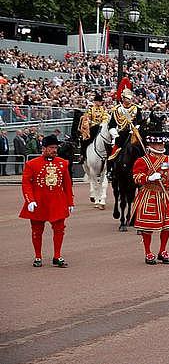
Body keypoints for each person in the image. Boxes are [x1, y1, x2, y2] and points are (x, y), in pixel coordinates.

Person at [132, 131, 169, 265]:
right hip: (149, 194)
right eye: (157, 143)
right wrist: (148, 178)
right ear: (151, 144)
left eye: (161, 143)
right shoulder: (143, 160)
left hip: (164, 195)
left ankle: (162, 250)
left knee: (168, 225)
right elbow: (136, 177)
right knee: (148, 227)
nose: (160, 146)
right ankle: (148, 252)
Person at [19, 134, 74, 267]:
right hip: (39, 201)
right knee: (37, 230)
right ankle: (38, 256)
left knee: (59, 229)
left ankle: (57, 256)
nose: (54, 150)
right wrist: (30, 200)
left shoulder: (63, 163)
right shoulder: (32, 164)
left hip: (57, 202)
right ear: (43, 148)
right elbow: (26, 184)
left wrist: (70, 202)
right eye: (51, 147)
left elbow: (67, 184)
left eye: (56, 147)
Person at [107, 88, 143, 161]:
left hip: (134, 133)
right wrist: (115, 134)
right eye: (127, 98)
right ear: (122, 98)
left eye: (130, 98)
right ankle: (111, 165)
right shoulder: (117, 110)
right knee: (115, 146)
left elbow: (140, 122)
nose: (129, 100)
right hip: (121, 132)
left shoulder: (136, 109)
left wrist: (135, 129)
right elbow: (112, 125)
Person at [79, 93, 110, 160]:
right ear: (96, 101)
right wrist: (92, 122)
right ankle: (83, 155)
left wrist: (103, 123)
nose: (101, 102)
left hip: (101, 127)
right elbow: (86, 118)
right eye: (100, 101)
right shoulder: (91, 109)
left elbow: (105, 117)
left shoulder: (103, 109)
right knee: (84, 139)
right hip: (92, 127)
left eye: (101, 101)